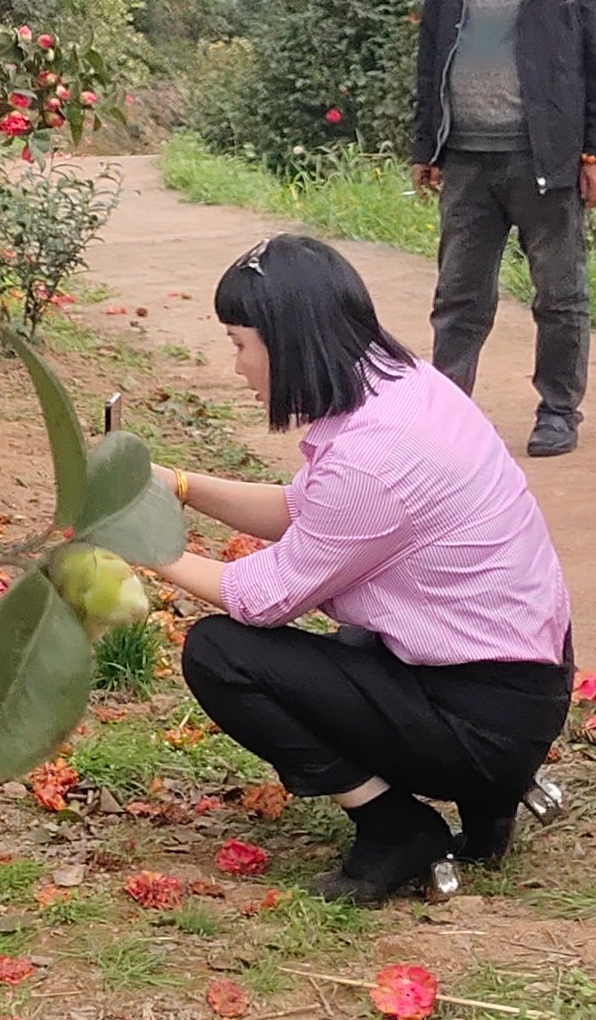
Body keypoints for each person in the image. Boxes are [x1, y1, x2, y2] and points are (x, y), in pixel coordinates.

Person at [152, 233, 573, 905]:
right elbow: (306, 510)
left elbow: (259, 598)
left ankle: (395, 827)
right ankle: (490, 807)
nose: (236, 366)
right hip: (520, 685)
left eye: (239, 343)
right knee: (354, 637)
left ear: (286, 341)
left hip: (479, 720)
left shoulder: (373, 461)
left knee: (221, 654)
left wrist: (150, 553)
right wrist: (176, 485)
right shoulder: (403, 388)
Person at [410, 0, 596, 459]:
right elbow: (431, 55)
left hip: (547, 154)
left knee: (559, 296)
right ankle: (446, 417)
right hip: (468, 157)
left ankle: (558, 411)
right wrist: (428, 144)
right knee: (458, 296)